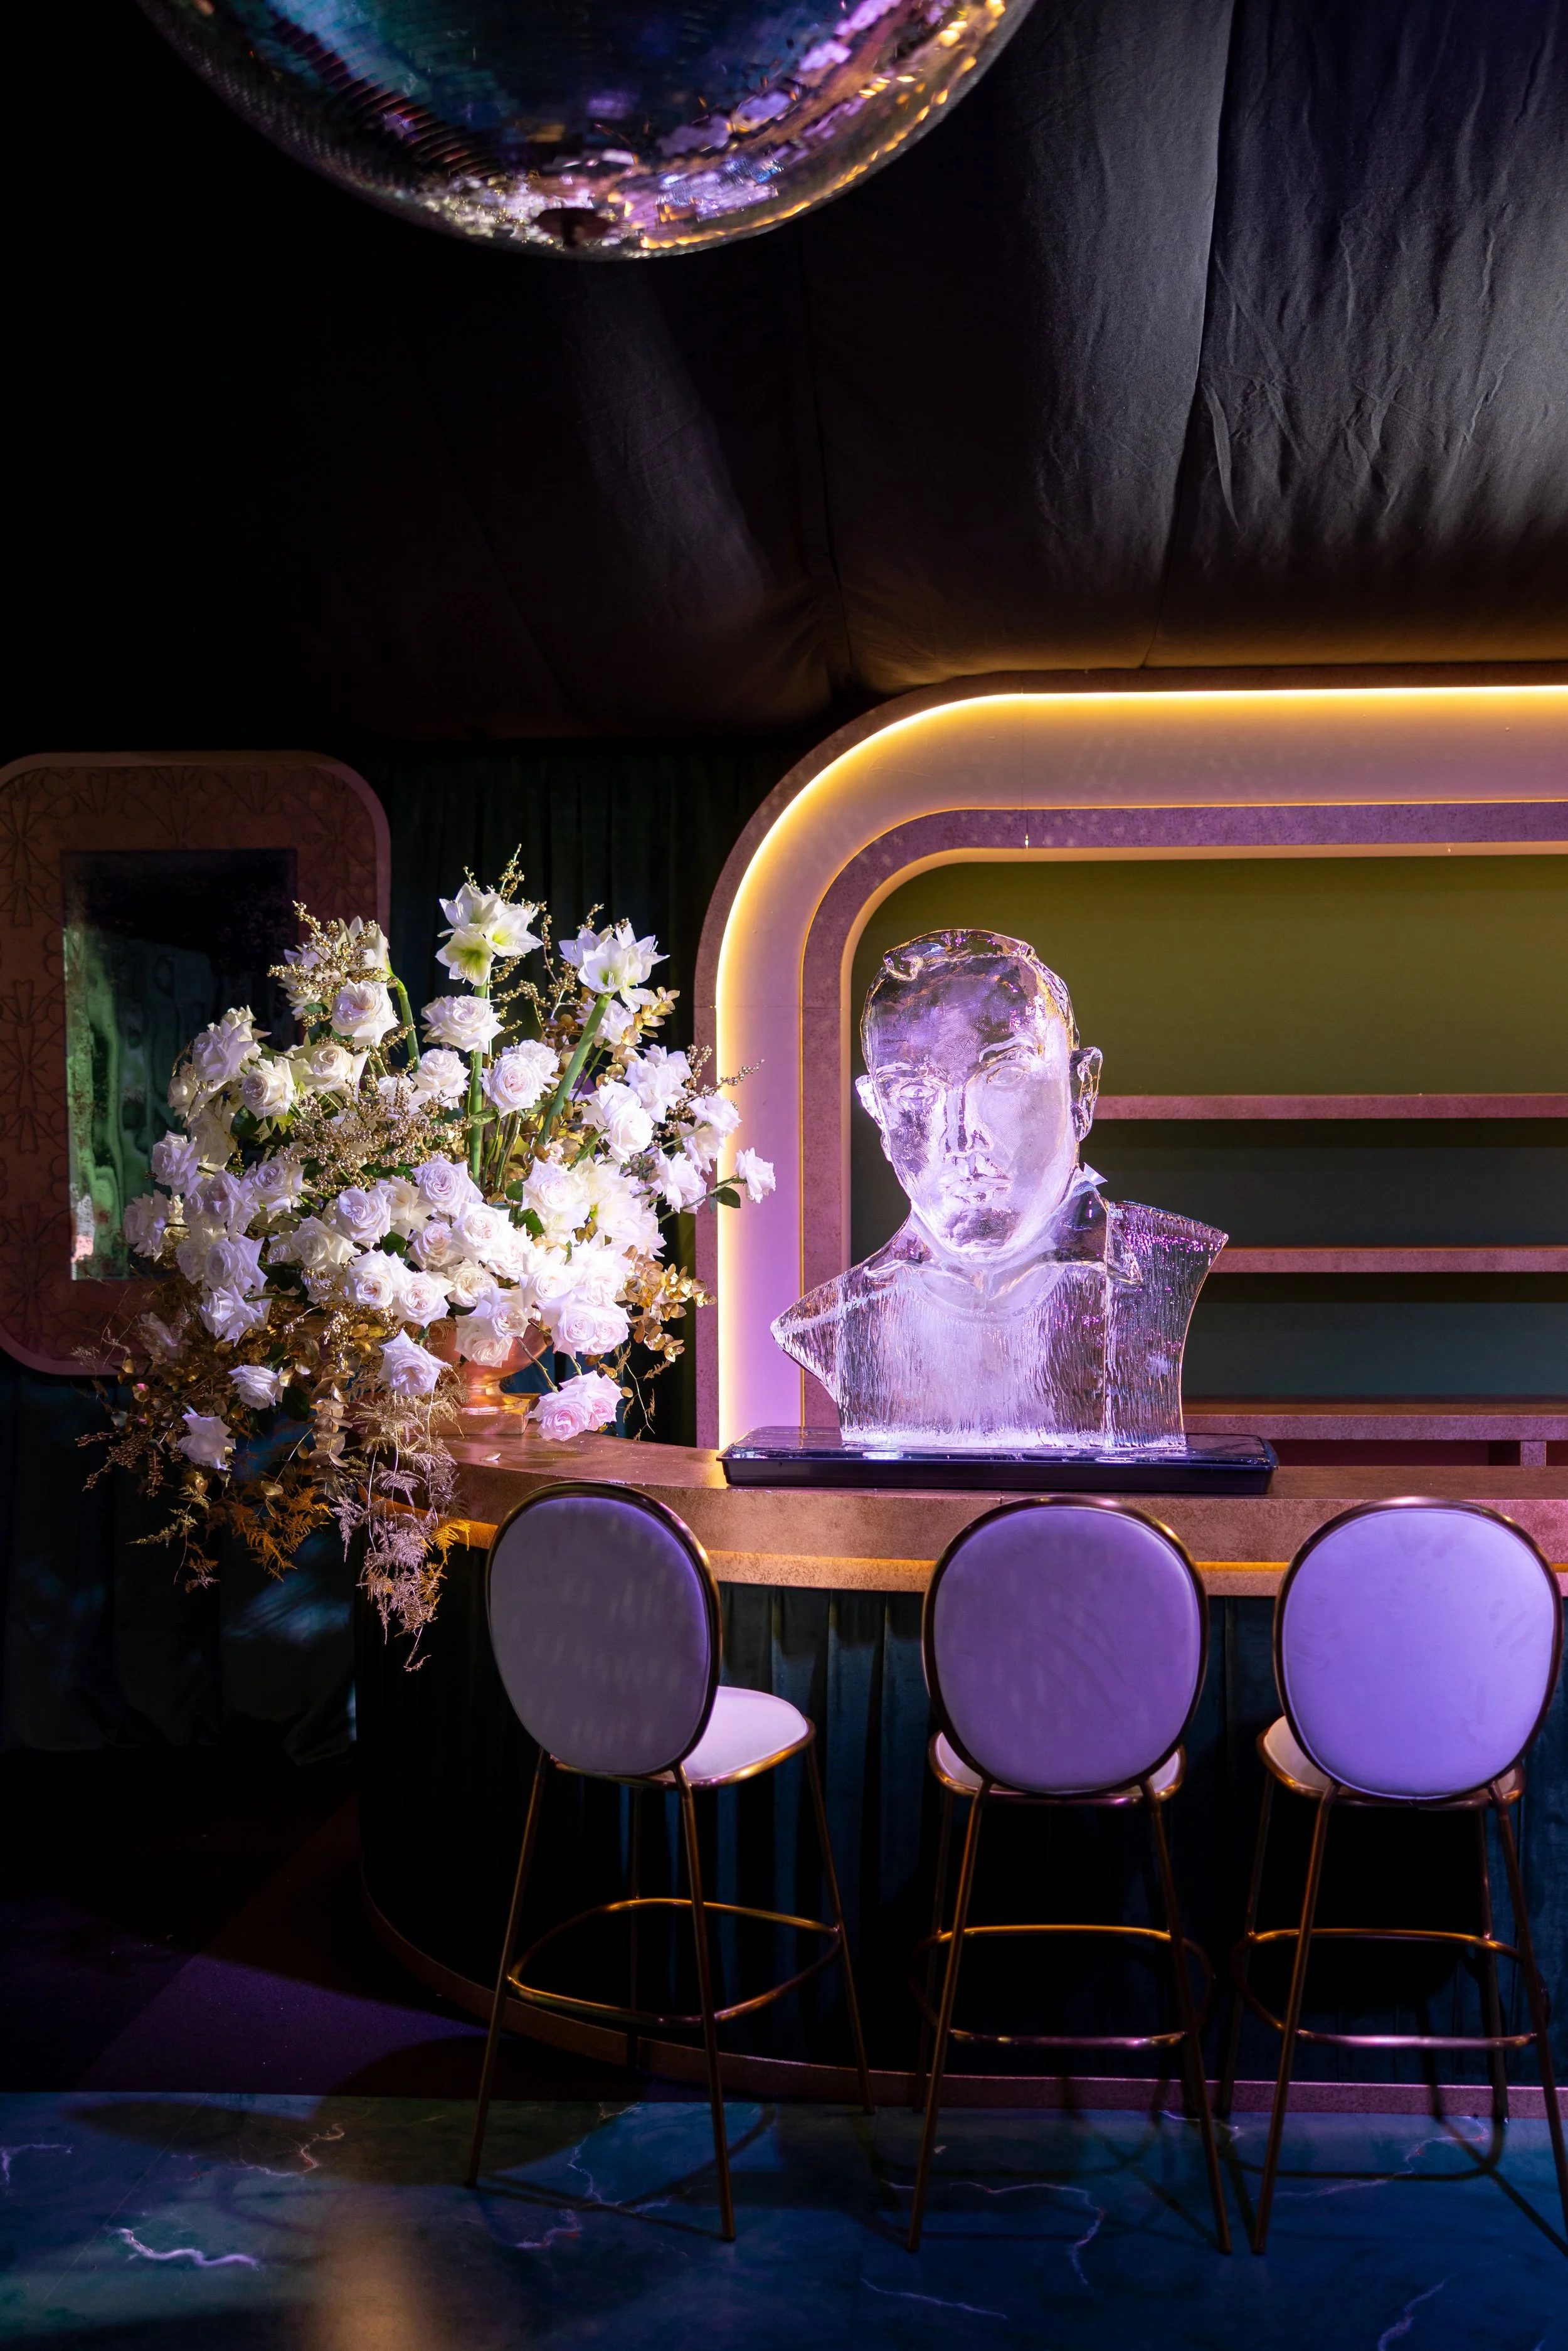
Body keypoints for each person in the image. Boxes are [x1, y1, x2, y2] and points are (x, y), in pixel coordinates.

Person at [771, 928, 1225, 1451]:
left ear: (1082, 1091)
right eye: (914, 1091)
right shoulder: (837, 1321)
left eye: (1005, 1077)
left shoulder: (1167, 1264)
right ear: (877, 1110)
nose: (963, 1138)